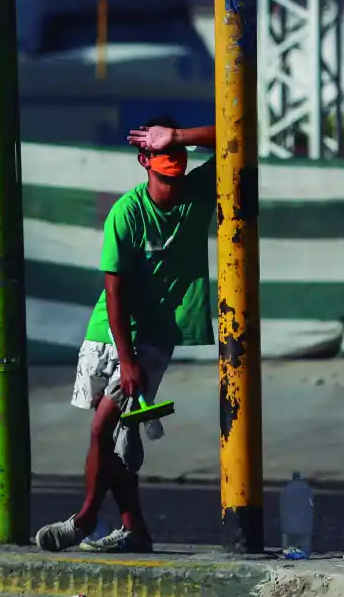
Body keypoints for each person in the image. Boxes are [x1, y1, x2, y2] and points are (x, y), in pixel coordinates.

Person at [34, 116, 217, 555]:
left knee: (103, 428)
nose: (170, 166)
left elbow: (240, 132)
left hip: (156, 336)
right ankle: (134, 527)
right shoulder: (127, 213)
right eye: (159, 155)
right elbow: (112, 291)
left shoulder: (199, 193)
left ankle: (83, 521)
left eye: (175, 152)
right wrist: (126, 357)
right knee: (116, 436)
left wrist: (177, 135)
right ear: (143, 161)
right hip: (110, 333)